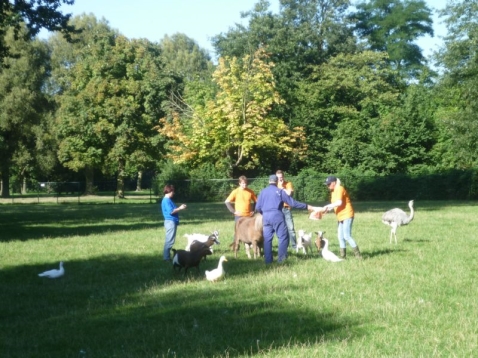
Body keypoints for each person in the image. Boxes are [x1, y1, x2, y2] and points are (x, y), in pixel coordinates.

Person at [255, 174, 321, 264]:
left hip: (266, 217)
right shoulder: (280, 191)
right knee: (283, 237)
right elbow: (292, 203)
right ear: (277, 181)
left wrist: (265, 213)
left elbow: (258, 207)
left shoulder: (262, 192)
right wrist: (308, 206)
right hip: (277, 215)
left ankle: (268, 261)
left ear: (269, 181)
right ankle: (281, 259)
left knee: (267, 239)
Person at [322, 176, 362, 259]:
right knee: (340, 237)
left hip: (347, 214)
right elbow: (335, 204)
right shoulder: (333, 192)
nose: (328, 186)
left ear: (334, 183)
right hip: (340, 216)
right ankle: (343, 256)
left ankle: (358, 256)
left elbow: (339, 202)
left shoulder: (340, 189)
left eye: (329, 184)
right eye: (327, 185)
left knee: (346, 236)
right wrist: (327, 210)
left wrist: (327, 206)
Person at [161, 184, 187, 261]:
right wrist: (180, 208)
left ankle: (167, 257)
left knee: (170, 240)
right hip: (170, 222)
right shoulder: (166, 200)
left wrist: (180, 208)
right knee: (169, 240)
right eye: (173, 191)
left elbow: (174, 209)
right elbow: (171, 211)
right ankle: (166, 258)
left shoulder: (168, 200)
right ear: (169, 191)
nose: (173, 193)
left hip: (171, 222)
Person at [276, 170, 297, 250]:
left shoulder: (288, 184)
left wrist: (282, 188)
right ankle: (284, 246)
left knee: (290, 228)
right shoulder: (275, 185)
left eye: (281, 177)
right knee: (281, 229)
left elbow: (289, 194)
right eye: (278, 178)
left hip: (286, 208)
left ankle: (294, 247)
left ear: (283, 177)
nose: (280, 179)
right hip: (278, 209)